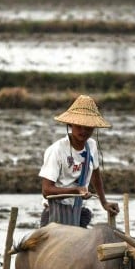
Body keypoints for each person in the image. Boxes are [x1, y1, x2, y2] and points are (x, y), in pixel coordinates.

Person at [39, 95, 119, 227]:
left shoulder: (92, 146)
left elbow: (95, 175)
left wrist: (104, 203)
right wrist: (75, 191)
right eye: (79, 126)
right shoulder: (57, 150)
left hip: (77, 210)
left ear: (94, 127)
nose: (83, 131)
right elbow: (46, 190)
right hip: (55, 212)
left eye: (88, 127)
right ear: (70, 124)